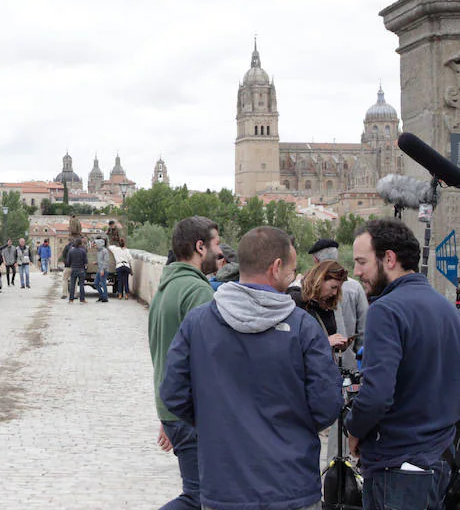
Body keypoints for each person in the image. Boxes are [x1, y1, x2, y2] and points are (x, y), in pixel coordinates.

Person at [161, 226, 342, 510]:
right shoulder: (303, 327)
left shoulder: (198, 323)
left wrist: (217, 422)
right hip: (291, 485)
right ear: (276, 266)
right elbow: (328, 404)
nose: (294, 277)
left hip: (224, 487)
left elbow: (173, 393)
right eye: (292, 270)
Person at [345, 219, 460, 510]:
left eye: (361, 262)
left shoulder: (387, 309)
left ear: (389, 259)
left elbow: (376, 395)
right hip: (441, 459)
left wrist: (354, 429)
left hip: (399, 467)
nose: (357, 272)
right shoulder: (446, 308)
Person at [148, 216, 222, 510]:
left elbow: (162, 353)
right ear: (200, 247)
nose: (220, 252)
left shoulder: (166, 289)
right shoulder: (198, 292)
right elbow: (208, 360)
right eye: (216, 244)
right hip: (192, 415)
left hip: (175, 411)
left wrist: (168, 414)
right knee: (199, 498)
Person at [307, 238, 367, 371]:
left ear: (315, 261)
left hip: (317, 368)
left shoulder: (305, 290)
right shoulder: (355, 287)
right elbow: (363, 331)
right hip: (349, 368)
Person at [289, 260, 350, 354]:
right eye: (333, 287)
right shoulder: (295, 301)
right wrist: (325, 342)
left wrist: (338, 345)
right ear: (319, 280)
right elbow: (292, 343)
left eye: (338, 289)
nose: (335, 293)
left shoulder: (325, 303)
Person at [67, 238, 88, 303]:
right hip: (81, 269)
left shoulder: (71, 251)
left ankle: (71, 299)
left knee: (72, 285)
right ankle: (82, 299)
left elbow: (68, 262)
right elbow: (86, 261)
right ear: (80, 244)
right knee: (81, 284)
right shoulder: (83, 251)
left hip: (73, 269)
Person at [94, 238, 110, 302]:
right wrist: (96, 263)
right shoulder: (99, 251)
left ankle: (105, 298)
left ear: (99, 244)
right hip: (99, 269)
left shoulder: (104, 251)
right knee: (96, 283)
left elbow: (106, 261)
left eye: (95, 244)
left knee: (103, 284)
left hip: (104, 270)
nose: (95, 246)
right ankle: (101, 295)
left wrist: (103, 270)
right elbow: (101, 261)